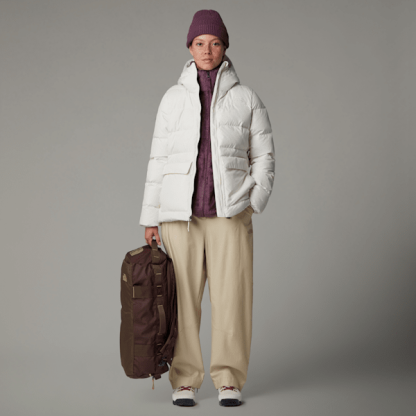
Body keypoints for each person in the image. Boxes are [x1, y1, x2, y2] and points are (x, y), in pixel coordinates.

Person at [139, 9, 275, 407]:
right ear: (189, 47)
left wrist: (253, 202)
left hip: (229, 216)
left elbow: (264, 157)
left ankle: (229, 379)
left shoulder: (246, 98)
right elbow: (158, 160)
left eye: (215, 43)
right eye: (200, 43)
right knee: (181, 302)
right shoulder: (172, 99)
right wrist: (150, 217)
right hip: (179, 219)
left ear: (225, 47)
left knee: (233, 300)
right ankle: (185, 380)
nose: (207, 50)